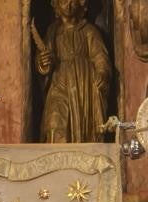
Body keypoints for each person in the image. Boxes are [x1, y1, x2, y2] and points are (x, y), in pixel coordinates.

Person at [36, 0, 111, 143]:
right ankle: (54, 161)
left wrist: (102, 73)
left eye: (73, 1)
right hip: (59, 83)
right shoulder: (52, 31)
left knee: (82, 127)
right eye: (64, 1)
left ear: (81, 4)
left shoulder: (89, 31)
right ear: (56, 5)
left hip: (83, 85)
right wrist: (43, 63)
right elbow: (43, 59)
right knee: (54, 123)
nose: (68, 5)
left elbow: (100, 56)